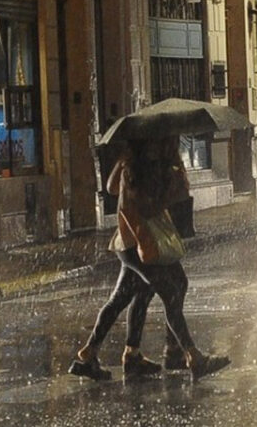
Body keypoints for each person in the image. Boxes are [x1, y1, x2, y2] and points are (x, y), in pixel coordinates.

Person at [68, 135, 230, 382]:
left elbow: (112, 188)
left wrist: (126, 164)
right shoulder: (145, 168)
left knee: (132, 296)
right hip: (142, 244)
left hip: (131, 243)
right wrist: (174, 187)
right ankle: (190, 356)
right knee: (171, 292)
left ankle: (108, 353)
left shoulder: (132, 165)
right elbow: (143, 208)